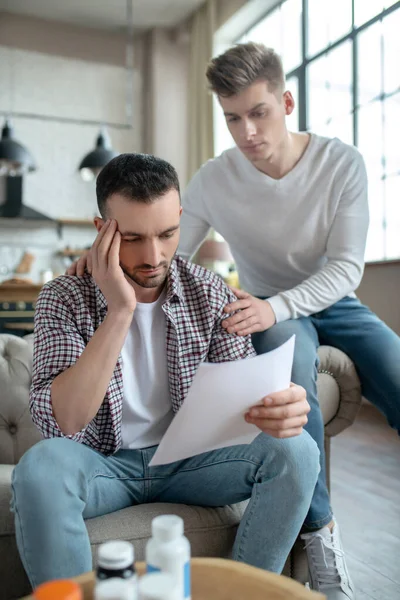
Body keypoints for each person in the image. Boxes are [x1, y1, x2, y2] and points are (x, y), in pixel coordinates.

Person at [11, 153, 319, 589]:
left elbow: (238, 404)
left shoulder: (211, 293)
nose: (152, 256)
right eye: (132, 238)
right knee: (40, 469)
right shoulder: (63, 297)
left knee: (299, 451)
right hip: (103, 466)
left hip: (190, 464)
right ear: (102, 232)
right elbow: (67, 419)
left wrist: (276, 406)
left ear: (181, 218)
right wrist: (120, 310)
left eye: (167, 234)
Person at [176, 42, 400, 599]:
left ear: (287, 101)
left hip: (332, 299)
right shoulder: (212, 178)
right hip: (267, 309)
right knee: (292, 373)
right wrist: (110, 255)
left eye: (259, 113)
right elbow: (170, 254)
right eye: (232, 118)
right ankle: (321, 535)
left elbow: (347, 267)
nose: (247, 132)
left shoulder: (339, 163)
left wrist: (277, 305)